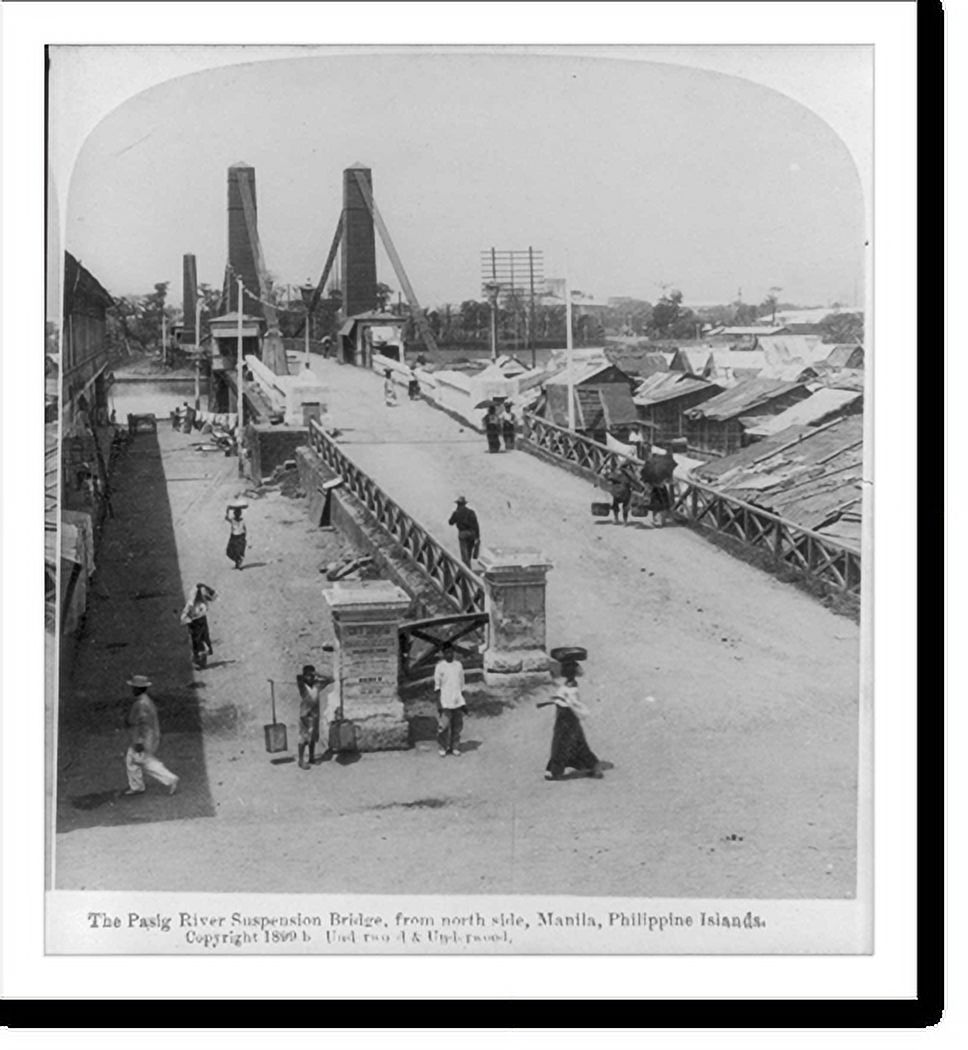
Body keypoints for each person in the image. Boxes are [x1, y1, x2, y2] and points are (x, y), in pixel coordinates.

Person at [538, 667, 603, 781]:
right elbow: (573, 703)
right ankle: (556, 770)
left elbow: (571, 702)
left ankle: (557, 769)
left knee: (567, 740)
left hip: (566, 713)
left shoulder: (568, 687)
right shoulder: (570, 687)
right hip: (567, 713)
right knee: (567, 740)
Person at [122, 676, 179, 796]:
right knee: (132, 760)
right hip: (150, 735)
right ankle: (137, 786)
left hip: (144, 738)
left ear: (138, 689)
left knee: (144, 761)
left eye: (134, 687)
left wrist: (138, 741)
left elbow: (138, 724)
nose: (132, 689)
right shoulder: (146, 701)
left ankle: (170, 778)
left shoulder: (140, 704)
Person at [296, 664, 334, 769]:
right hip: (305, 716)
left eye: (311, 675)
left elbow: (331, 679)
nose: (310, 677)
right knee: (303, 738)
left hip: (315, 715)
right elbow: (298, 677)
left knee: (312, 737)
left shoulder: (317, 685)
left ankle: (311, 758)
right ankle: (301, 761)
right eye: (308, 675)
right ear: (304, 676)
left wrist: (318, 674)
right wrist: (306, 674)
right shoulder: (302, 686)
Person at [434, 645, 467, 757]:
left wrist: (463, 702)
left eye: (451, 652)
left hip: (457, 700)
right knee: (444, 726)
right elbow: (437, 687)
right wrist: (439, 703)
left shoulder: (458, 665)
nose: (449, 654)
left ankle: (455, 747)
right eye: (447, 652)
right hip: (445, 701)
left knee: (457, 726)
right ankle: (443, 747)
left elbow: (462, 684)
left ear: (454, 652)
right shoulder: (440, 667)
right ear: (443, 654)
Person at [180, 584, 216, 669]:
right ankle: (198, 661)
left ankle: (200, 661)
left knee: (202, 640)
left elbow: (213, 597)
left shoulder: (200, 602)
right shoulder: (193, 604)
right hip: (195, 623)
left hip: (200, 621)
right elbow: (185, 615)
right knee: (198, 642)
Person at [448, 496, 480, 567]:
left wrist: (454, 515)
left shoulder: (456, 513)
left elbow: (450, 522)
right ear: (465, 504)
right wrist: (477, 537)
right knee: (469, 552)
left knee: (464, 554)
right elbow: (476, 525)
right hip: (472, 534)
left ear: (458, 504)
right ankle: (468, 567)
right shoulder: (471, 512)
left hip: (463, 534)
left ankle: (466, 569)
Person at [225, 502, 247, 569]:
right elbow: (226, 517)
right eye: (236, 513)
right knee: (230, 552)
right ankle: (238, 561)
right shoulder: (233, 520)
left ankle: (238, 563)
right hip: (235, 537)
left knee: (236, 552)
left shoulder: (240, 520)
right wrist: (228, 509)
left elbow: (244, 530)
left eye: (238, 513)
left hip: (239, 537)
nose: (237, 514)